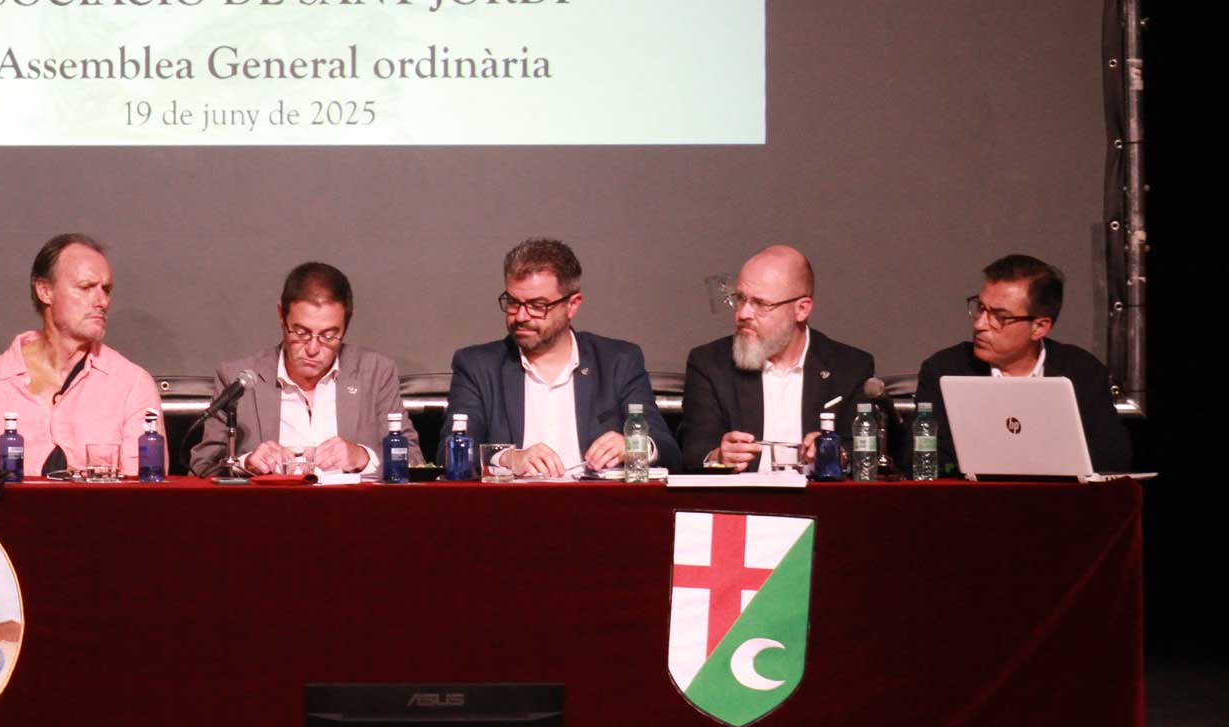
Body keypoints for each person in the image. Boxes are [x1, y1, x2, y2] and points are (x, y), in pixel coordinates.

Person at [441, 238, 677, 476]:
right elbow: (448, 453)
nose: (520, 316)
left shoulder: (618, 362)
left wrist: (635, 447)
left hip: (597, 498)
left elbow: (668, 450)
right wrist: (507, 458)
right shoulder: (478, 366)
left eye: (537, 305)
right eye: (513, 302)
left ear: (572, 305)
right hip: (514, 499)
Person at [192, 262, 421, 477]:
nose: (312, 349)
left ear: (347, 323)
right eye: (301, 333)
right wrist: (246, 463)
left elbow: (415, 460)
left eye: (328, 336)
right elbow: (201, 468)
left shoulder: (376, 373)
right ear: (281, 315)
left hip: (351, 506)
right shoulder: (237, 378)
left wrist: (362, 457)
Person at [0, 233, 165, 477]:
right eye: (86, 287)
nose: (102, 301)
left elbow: (143, 492)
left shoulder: (132, 385)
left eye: (106, 290)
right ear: (44, 291)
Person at [915, 254, 1130, 472]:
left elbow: (1112, 460)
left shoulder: (1083, 373)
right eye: (980, 308)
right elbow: (925, 462)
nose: (980, 324)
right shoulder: (943, 370)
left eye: (1000, 317)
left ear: (1039, 327)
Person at [680, 246, 876, 472]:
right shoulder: (710, 364)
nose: (743, 314)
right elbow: (693, 452)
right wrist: (718, 456)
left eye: (761, 304)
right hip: (741, 494)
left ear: (801, 309)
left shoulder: (850, 368)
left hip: (819, 494)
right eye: (741, 299)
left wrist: (836, 454)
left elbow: (863, 451)